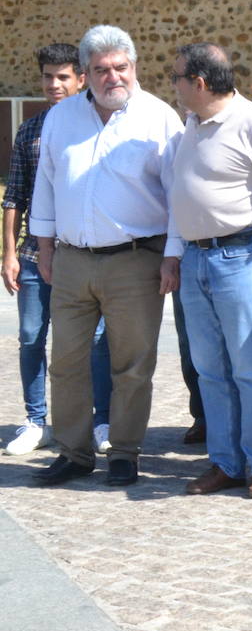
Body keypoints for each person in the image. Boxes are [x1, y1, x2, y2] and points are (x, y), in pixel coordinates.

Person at [29, 25, 182, 487]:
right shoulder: (61, 118)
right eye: (101, 70)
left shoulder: (159, 117)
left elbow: (178, 196)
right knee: (66, 362)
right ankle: (74, 453)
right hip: (73, 259)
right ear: (86, 74)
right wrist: (45, 246)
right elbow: (47, 184)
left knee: (132, 364)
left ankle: (125, 451)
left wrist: (172, 256)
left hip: (136, 260)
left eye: (121, 68)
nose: (112, 77)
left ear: (134, 67)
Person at [172, 44, 252, 499]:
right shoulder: (191, 122)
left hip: (241, 256)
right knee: (209, 370)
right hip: (195, 258)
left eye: (178, 78)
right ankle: (225, 462)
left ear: (200, 84)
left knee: (247, 368)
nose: (175, 86)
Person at [3, 43, 112, 457]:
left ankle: (102, 419)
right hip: (33, 254)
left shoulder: (95, 126)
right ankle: (35, 421)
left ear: (81, 78)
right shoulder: (30, 129)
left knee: (97, 340)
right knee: (31, 336)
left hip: (81, 253)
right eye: (48, 76)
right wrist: (9, 253)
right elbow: (14, 195)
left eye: (63, 76)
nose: (54, 84)